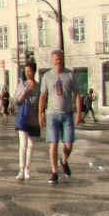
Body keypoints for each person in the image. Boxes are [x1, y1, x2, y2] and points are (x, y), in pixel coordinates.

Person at [38, 49, 79, 185]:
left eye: (60, 59)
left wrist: (79, 113)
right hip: (52, 114)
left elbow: (77, 94)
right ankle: (54, 171)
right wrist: (41, 113)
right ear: (52, 60)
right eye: (56, 59)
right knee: (53, 143)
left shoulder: (70, 74)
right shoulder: (47, 76)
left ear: (63, 59)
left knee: (69, 144)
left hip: (67, 113)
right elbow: (43, 96)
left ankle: (64, 160)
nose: (58, 61)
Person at [14, 62, 40, 181]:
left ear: (34, 71)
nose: (28, 73)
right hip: (23, 117)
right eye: (26, 71)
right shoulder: (22, 84)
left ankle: (27, 169)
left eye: (30, 71)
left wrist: (42, 115)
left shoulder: (39, 86)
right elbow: (16, 101)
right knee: (23, 145)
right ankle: (21, 169)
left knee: (31, 145)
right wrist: (24, 93)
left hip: (34, 118)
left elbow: (42, 102)